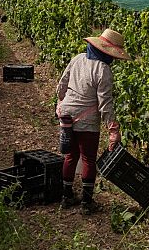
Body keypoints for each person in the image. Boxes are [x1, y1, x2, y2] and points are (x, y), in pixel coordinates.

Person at [56, 28, 131, 215]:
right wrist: (113, 129)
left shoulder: (78, 59)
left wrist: (61, 103)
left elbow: (61, 85)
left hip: (66, 116)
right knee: (88, 159)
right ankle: (86, 203)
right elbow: (105, 104)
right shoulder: (103, 69)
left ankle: (66, 197)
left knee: (70, 156)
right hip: (86, 120)